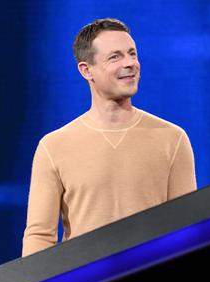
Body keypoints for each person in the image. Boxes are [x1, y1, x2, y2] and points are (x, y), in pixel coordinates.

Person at [22, 18, 196, 256]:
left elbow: (185, 226)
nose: (130, 64)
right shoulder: (53, 147)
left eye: (132, 54)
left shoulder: (172, 139)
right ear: (86, 70)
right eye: (115, 57)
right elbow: (39, 237)